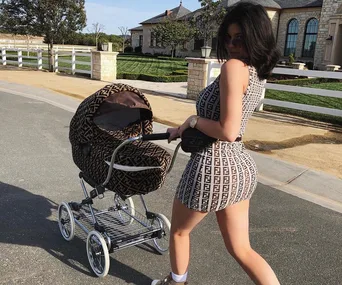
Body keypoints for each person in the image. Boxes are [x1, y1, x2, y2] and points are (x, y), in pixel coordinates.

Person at [151, 2, 281, 285]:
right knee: (241, 249)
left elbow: (228, 129)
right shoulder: (255, 70)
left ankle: (176, 282)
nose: (232, 45)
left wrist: (194, 121)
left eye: (240, 39)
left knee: (179, 233)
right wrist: (186, 126)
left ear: (255, 38)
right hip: (239, 168)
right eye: (228, 38)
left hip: (213, 166)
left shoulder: (234, 68)